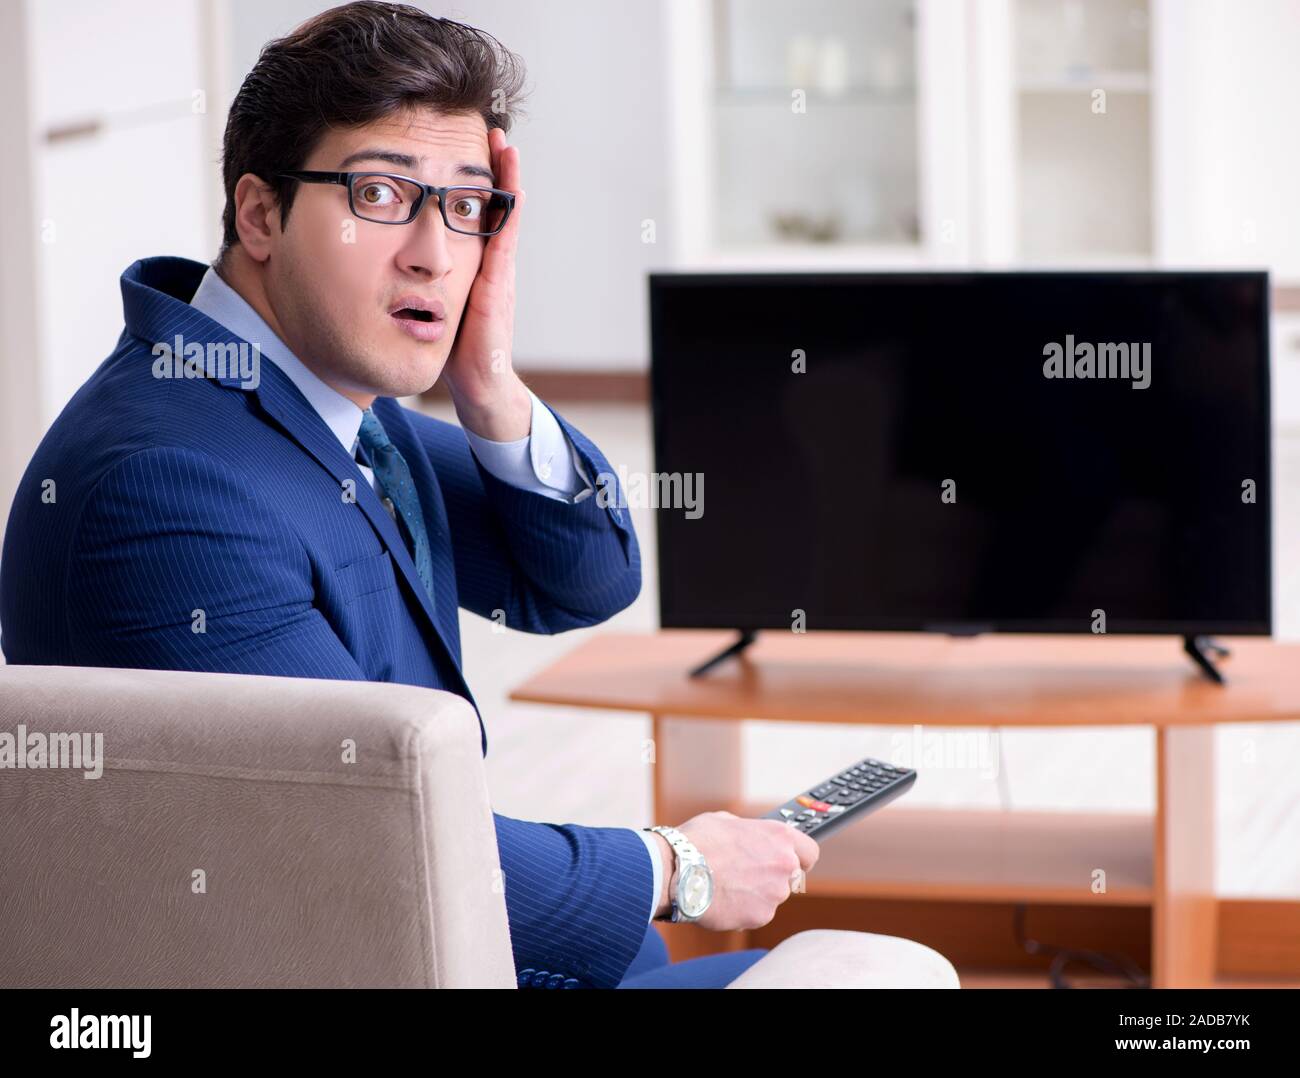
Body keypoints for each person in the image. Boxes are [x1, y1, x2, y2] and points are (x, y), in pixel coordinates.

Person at [0, 1, 817, 989]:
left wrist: (491, 382)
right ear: (259, 214)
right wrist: (677, 867)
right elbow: (374, 836)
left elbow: (584, 577)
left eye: (466, 206)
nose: (434, 253)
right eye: (381, 193)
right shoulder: (169, 487)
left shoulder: (315, 399)